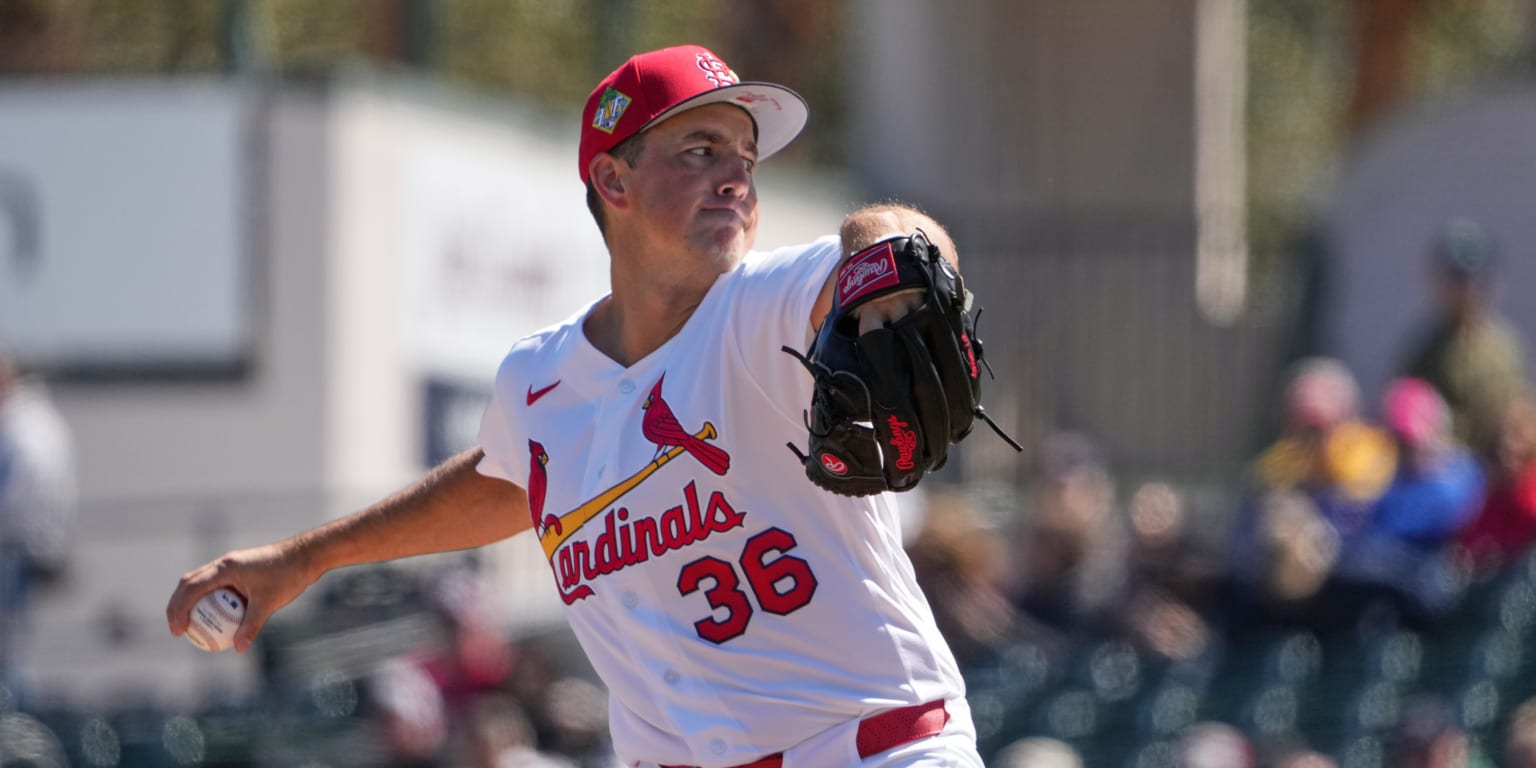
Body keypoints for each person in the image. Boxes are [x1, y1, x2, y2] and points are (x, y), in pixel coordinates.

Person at [168, 44, 986, 767]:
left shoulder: (765, 303)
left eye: (745, 154)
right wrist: (307, 557)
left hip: (878, 748)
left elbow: (885, 240)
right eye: (700, 150)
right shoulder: (538, 384)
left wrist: (896, 275)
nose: (736, 175)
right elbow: (502, 483)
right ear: (612, 178)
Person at [1398, 218, 1529, 453]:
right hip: (1448, 466)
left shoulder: (1503, 348)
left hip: (1496, 466)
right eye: (1457, 279)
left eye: (1475, 280)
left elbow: (1517, 412)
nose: (1467, 290)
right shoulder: (1428, 349)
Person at [0, 349, 76, 696]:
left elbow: (27, 480)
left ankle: (15, 734)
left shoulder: (24, 424)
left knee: (7, 659)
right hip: (23, 546)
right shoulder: (29, 417)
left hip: (15, 549)